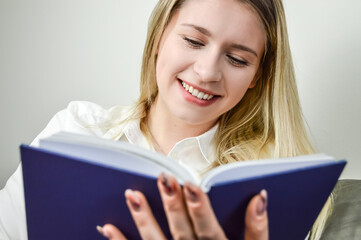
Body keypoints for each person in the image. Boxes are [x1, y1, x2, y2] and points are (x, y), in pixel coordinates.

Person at [0, 0, 326, 239]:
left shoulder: (274, 185)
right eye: (193, 41)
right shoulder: (76, 128)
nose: (207, 71)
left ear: (257, 76)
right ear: (159, 37)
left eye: (237, 59)